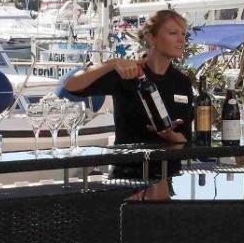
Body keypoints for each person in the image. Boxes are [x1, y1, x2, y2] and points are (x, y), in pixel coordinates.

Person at [64, 9, 194, 152]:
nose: (181, 39)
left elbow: (185, 138)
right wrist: (112, 63)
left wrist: (169, 135)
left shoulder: (182, 83)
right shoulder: (127, 73)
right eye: (173, 33)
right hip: (129, 164)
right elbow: (71, 85)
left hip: (169, 165)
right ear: (151, 38)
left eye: (183, 34)